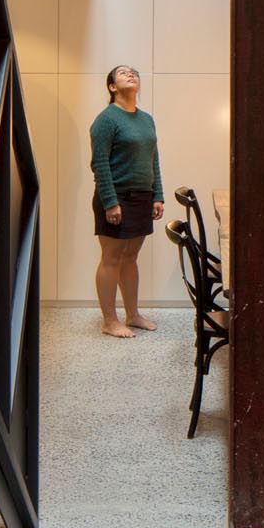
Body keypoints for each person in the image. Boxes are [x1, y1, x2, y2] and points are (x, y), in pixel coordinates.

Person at [90, 63, 164, 338]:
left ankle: (133, 315)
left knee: (131, 257)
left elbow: (153, 159)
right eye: (122, 73)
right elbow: (99, 163)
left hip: (142, 198)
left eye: (133, 72)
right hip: (116, 197)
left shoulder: (146, 119)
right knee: (111, 258)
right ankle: (110, 320)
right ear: (112, 87)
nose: (131, 74)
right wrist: (110, 202)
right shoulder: (106, 120)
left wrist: (157, 195)